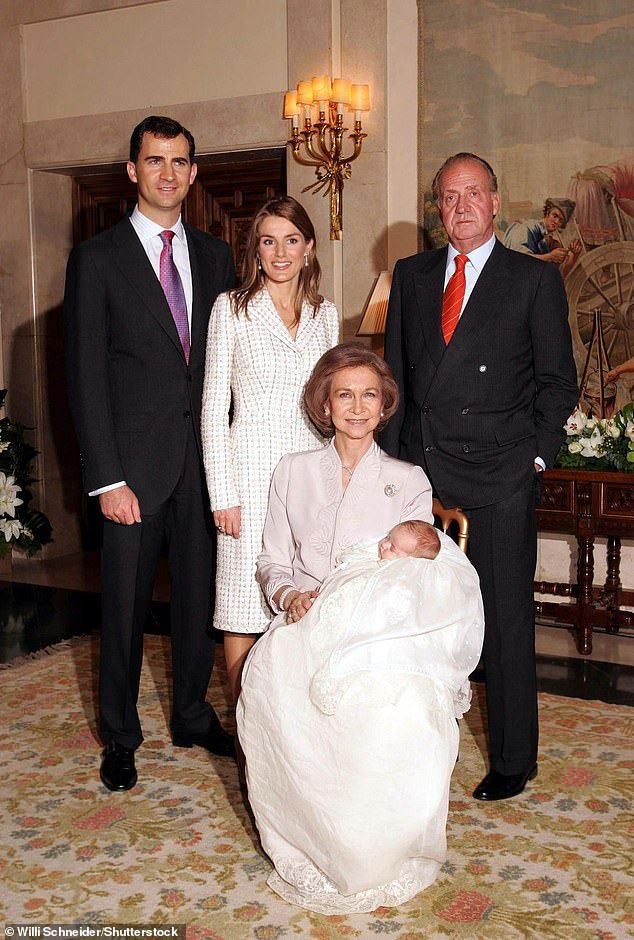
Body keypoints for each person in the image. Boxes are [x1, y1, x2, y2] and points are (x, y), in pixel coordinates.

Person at [236, 344, 483, 913]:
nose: (356, 406)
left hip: (379, 631)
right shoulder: (292, 470)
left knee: (393, 707)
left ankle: (377, 849)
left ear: (384, 406)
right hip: (306, 622)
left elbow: (424, 575)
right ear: (324, 404)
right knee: (277, 686)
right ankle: (314, 838)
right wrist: (289, 594)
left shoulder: (409, 479)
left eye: (368, 395)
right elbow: (272, 558)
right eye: (343, 394)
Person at [381, 152, 579, 802]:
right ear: (437, 208)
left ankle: (514, 760)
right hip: (424, 474)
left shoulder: (531, 280)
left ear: (496, 203)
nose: (461, 205)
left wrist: (536, 457)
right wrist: (393, 468)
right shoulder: (409, 277)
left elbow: (557, 383)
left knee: (503, 621)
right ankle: (411, 744)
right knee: (419, 618)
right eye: (448, 196)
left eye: (473, 193)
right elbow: (397, 382)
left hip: (501, 472)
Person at [64, 115, 236, 792]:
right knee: (125, 606)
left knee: (199, 598)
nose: (168, 173)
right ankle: (120, 734)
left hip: (204, 464)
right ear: (131, 171)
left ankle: (192, 712)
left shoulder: (217, 257)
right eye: (154, 161)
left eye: (180, 162)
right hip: (131, 469)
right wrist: (106, 476)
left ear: (194, 174)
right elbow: (84, 374)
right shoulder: (97, 259)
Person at [201, 196, 339, 702]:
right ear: (255, 252)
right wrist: (223, 495)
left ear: (308, 248)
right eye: (268, 241)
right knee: (243, 606)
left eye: (291, 240)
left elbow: (334, 404)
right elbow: (214, 408)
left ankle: (293, 726)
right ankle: (245, 737)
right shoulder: (231, 309)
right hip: (249, 476)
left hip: (309, 477)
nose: (280, 252)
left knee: (305, 600)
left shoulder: (326, 315)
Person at [503, 198, 582, 276]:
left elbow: (559, 275)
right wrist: (550, 257)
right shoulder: (526, 227)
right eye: (555, 216)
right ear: (547, 213)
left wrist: (574, 255)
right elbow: (519, 259)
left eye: (561, 220)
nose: (556, 221)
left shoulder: (551, 241)